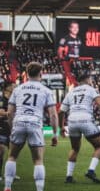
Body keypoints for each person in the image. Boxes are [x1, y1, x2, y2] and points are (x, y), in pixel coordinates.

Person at [4, 62, 59, 191]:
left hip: (19, 121)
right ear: (41, 74)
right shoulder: (46, 90)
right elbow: (53, 115)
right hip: (35, 123)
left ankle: (7, 186)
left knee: (12, 156)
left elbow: (10, 112)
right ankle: (39, 189)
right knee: (38, 160)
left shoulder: (17, 89)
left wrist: (12, 128)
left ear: (27, 74)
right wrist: (55, 134)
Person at [59, 72, 100, 184]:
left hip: (72, 121)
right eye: (91, 80)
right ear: (87, 80)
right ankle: (91, 171)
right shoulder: (90, 89)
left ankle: (69, 177)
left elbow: (61, 111)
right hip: (85, 119)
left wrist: (61, 127)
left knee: (74, 149)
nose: (91, 82)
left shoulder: (71, 92)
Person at [0, 81, 20, 183]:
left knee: (13, 152)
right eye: (13, 86)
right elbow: (0, 111)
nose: (15, 87)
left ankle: (11, 173)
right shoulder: (2, 99)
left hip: (12, 128)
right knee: (1, 151)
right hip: (2, 127)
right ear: (7, 88)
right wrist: (8, 113)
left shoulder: (15, 99)